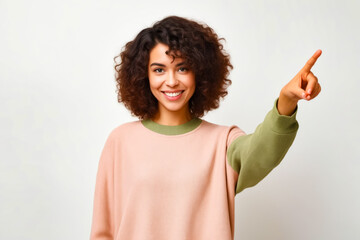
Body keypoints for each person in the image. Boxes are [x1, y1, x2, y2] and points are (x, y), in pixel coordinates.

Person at [90, 16, 321, 240]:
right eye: (159, 70)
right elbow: (103, 230)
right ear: (144, 75)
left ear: (200, 71)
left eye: (182, 68)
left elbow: (261, 152)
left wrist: (286, 101)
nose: (171, 81)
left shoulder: (223, 142)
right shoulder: (120, 141)